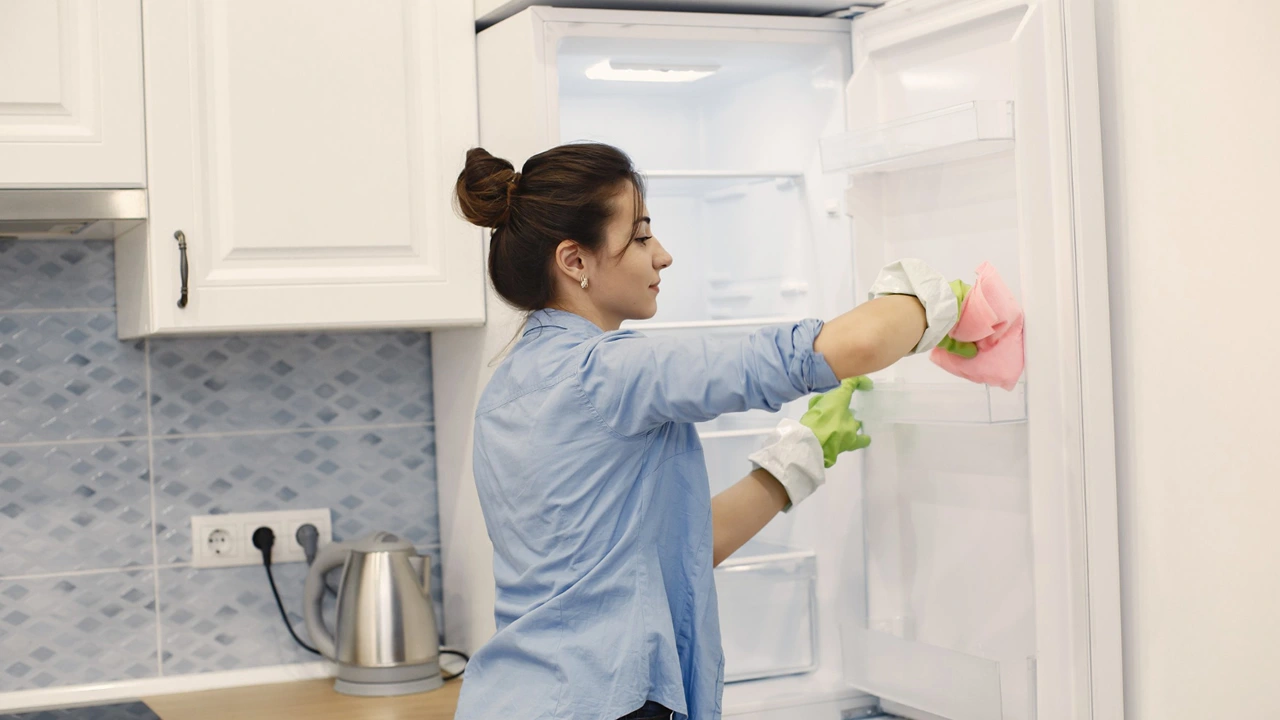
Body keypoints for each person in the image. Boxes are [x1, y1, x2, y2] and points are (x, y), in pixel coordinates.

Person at [451, 142, 960, 720]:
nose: (662, 256)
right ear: (575, 261)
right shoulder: (610, 372)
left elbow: (673, 549)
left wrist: (797, 459)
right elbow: (844, 347)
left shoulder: (507, 389)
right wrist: (936, 300)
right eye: (641, 236)